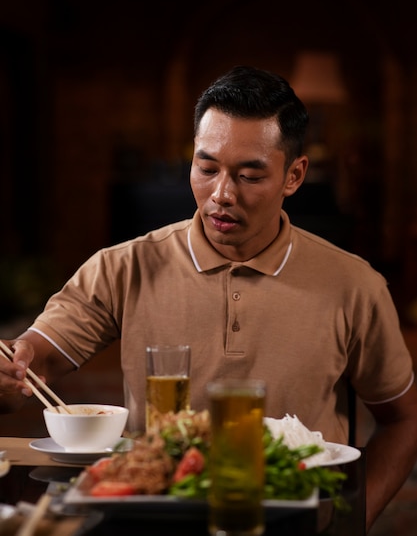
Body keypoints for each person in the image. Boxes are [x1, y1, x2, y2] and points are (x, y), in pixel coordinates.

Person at [1, 65, 417, 531]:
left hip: (290, 522)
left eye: (249, 175)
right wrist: (11, 368)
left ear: (294, 175)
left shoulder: (354, 284)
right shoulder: (122, 267)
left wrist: (348, 524)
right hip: (152, 521)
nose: (221, 194)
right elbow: (30, 364)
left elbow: (403, 421)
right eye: (206, 167)